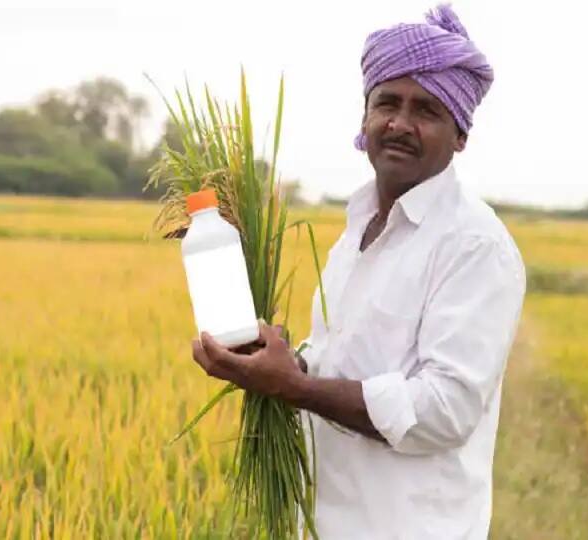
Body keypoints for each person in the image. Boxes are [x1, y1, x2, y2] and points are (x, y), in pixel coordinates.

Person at [191, 4, 526, 538]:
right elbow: (346, 361)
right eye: (386, 103)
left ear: (460, 134)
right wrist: (274, 360)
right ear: (365, 118)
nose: (399, 123)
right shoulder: (359, 227)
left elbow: (445, 409)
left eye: (427, 110)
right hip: (324, 524)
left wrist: (295, 389)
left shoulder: (474, 246)